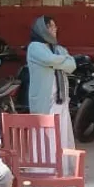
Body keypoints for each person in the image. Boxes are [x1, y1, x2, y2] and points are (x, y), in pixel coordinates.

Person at [26, 16, 78, 176]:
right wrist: (62, 60)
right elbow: (49, 59)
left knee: (61, 134)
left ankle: (62, 170)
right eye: (51, 27)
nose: (55, 29)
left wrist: (59, 60)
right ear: (42, 30)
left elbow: (72, 65)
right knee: (46, 135)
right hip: (44, 100)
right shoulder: (34, 47)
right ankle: (44, 171)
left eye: (55, 26)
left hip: (60, 99)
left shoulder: (58, 48)